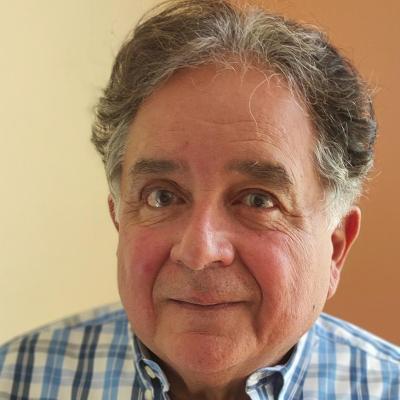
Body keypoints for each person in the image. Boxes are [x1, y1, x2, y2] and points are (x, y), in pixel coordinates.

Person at [1, 0, 399, 399]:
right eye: (162, 197)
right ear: (119, 219)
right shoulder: (14, 381)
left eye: (258, 200)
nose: (199, 251)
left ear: (336, 246)